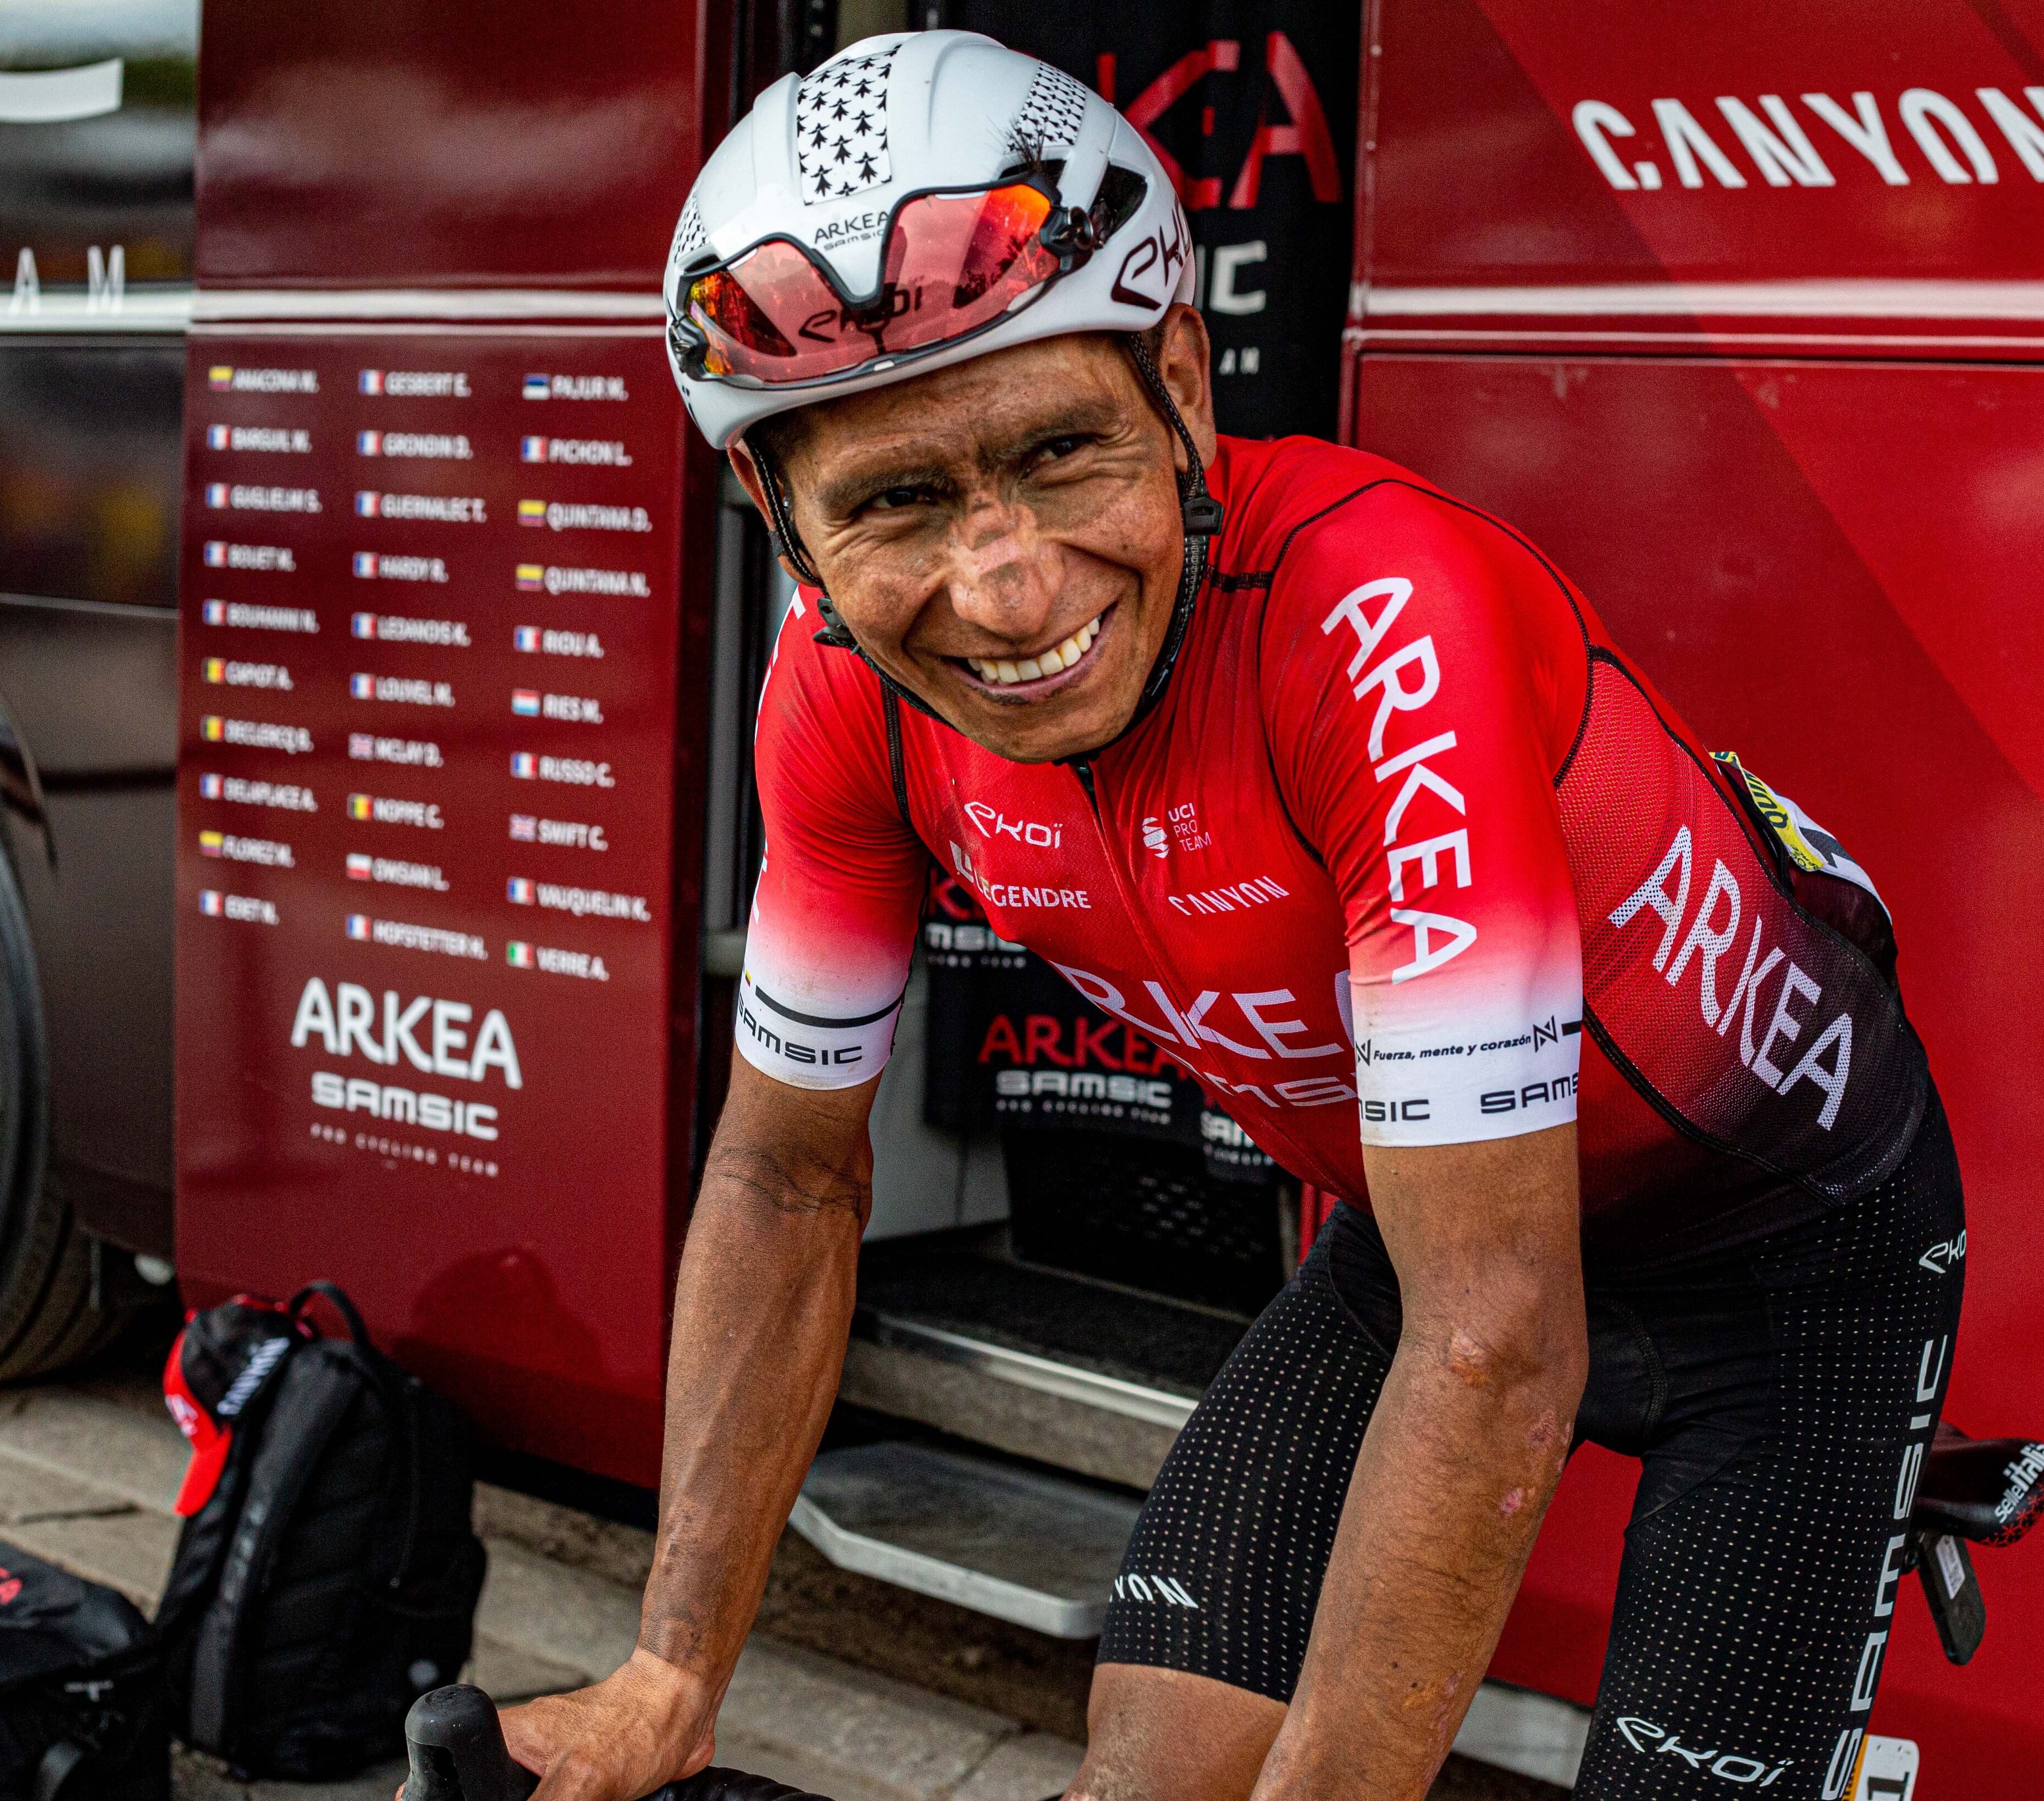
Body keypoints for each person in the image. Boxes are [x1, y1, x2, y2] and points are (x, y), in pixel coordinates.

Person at [507, 31, 1964, 1801]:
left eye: (1059, 453)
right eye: (895, 499)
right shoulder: (837, 694)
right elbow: (785, 1175)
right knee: (1157, 1774)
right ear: (780, 516)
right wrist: (669, 1671)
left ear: (1183, 386)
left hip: (1780, 1242)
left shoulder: (1373, 617)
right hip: (1421, 1225)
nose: (1009, 585)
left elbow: (1497, 1340)